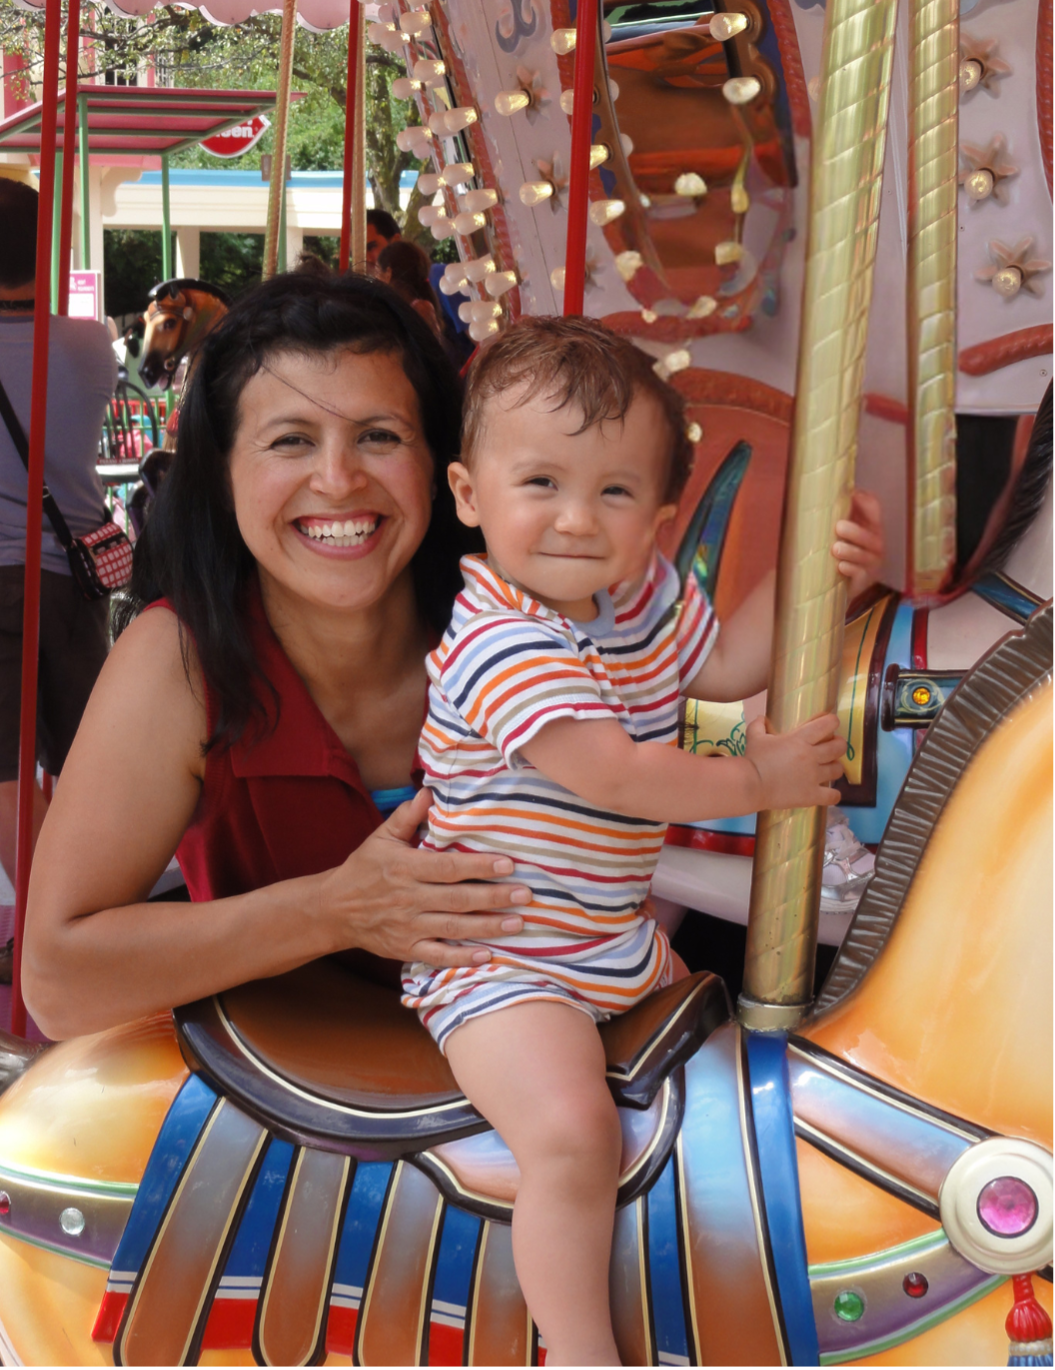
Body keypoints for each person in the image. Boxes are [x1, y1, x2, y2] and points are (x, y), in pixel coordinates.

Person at [402, 316, 884, 1366]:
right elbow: (614, 773)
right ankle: (579, 1349)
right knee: (572, 1135)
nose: (576, 519)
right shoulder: (496, 634)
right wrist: (754, 781)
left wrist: (817, 579)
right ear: (468, 494)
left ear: (660, 518)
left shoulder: (637, 597)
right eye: (540, 483)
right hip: (502, 958)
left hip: (612, 944)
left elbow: (722, 668)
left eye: (614, 492)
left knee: (737, 1105)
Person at [21, 272, 529, 1037]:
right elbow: (56, 982)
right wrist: (332, 911)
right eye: (290, 441)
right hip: (298, 1098)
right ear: (223, 477)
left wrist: (748, 740)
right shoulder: (177, 662)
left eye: (379, 436)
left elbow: (698, 719)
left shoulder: (536, 620)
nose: (337, 479)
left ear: (439, 467)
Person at [0, 178, 116, 980]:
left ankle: (49, 932)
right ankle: (87, 910)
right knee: (82, 763)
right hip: (71, 574)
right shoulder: (89, 342)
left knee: (6, 774)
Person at [376, 239, 444, 340]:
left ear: (388, 274)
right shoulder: (404, 308)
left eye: (377, 272)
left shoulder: (421, 309)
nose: (376, 279)